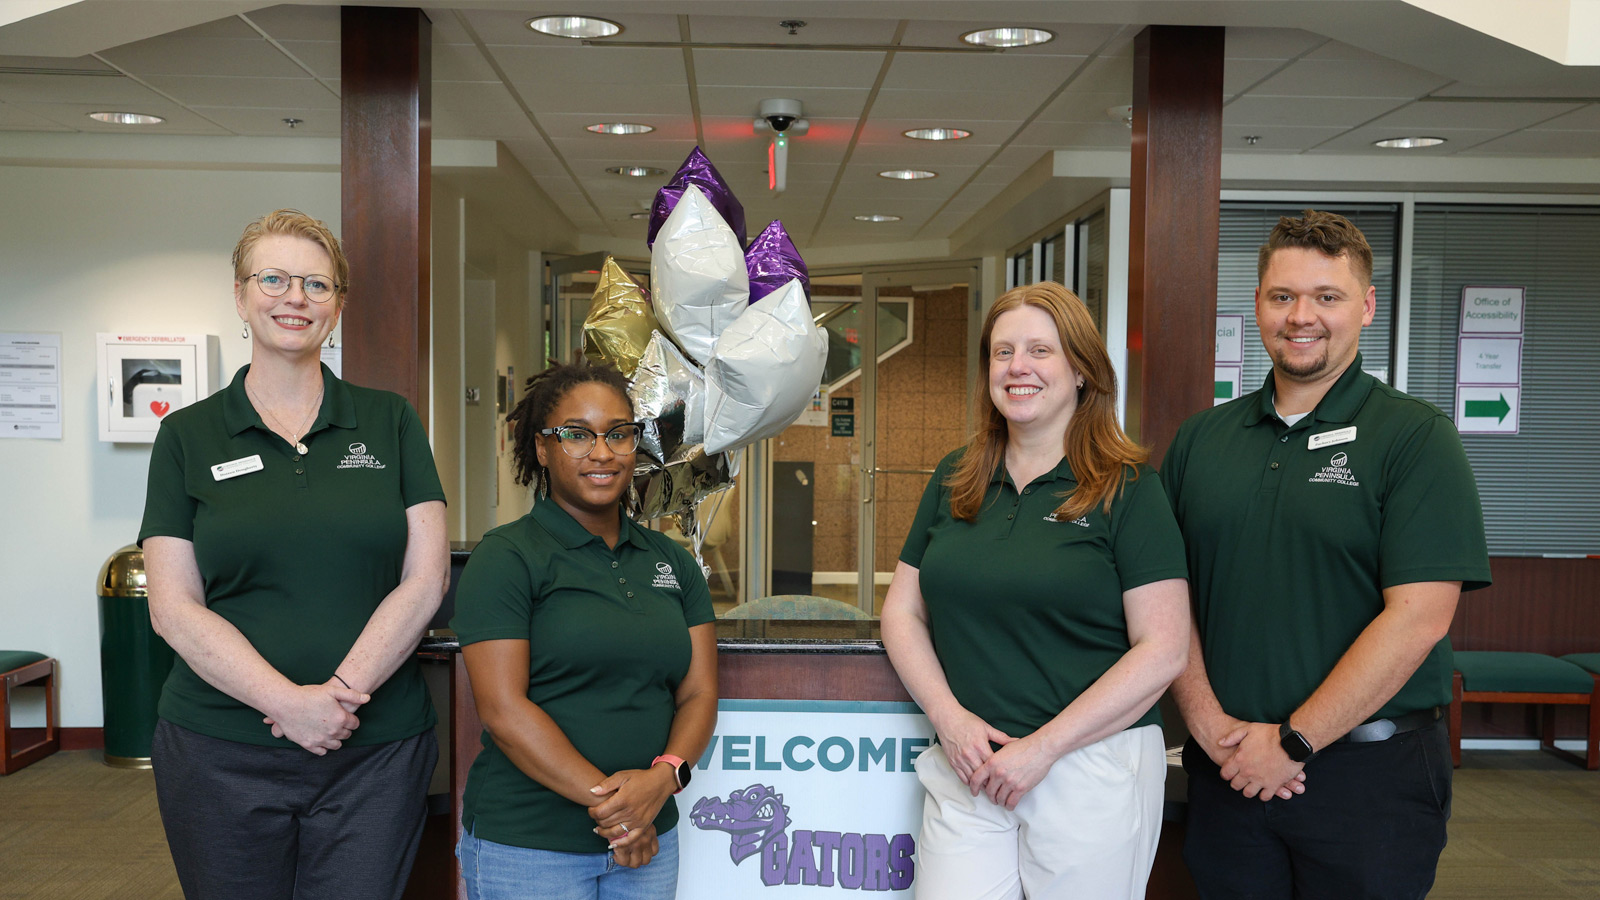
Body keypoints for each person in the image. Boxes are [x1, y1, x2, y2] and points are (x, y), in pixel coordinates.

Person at [1163, 210, 1492, 899]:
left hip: (1369, 781)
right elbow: (1165, 599)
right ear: (1258, 305)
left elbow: (1419, 618)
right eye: (1282, 296)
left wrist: (1292, 743)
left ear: (1367, 307)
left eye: (1327, 297)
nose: (1300, 316)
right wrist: (1209, 725)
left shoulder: (1415, 439)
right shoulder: (1202, 441)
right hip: (1227, 772)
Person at [140, 209, 449, 900]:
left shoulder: (390, 420)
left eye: (316, 283)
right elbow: (172, 606)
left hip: (374, 749)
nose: (295, 298)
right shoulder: (188, 437)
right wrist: (285, 701)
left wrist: (334, 700)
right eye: (273, 278)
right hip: (217, 748)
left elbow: (424, 580)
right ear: (242, 294)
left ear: (338, 303)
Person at [882, 281, 1191, 900]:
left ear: (1081, 370)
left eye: (1040, 351)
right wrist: (950, 720)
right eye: (1002, 352)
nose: (1017, 367)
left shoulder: (1126, 487)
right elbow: (902, 612)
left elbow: (1163, 649)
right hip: (971, 765)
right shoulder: (955, 476)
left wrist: (1043, 748)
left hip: (1089, 768)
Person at [450, 361, 718, 900]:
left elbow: (698, 692)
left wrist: (663, 780)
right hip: (530, 847)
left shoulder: (672, 562)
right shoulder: (507, 556)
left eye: (619, 434)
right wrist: (622, 812)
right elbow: (504, 710)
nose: (602, 452)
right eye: (577, 435)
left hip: (649, 840)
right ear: (542, 449)